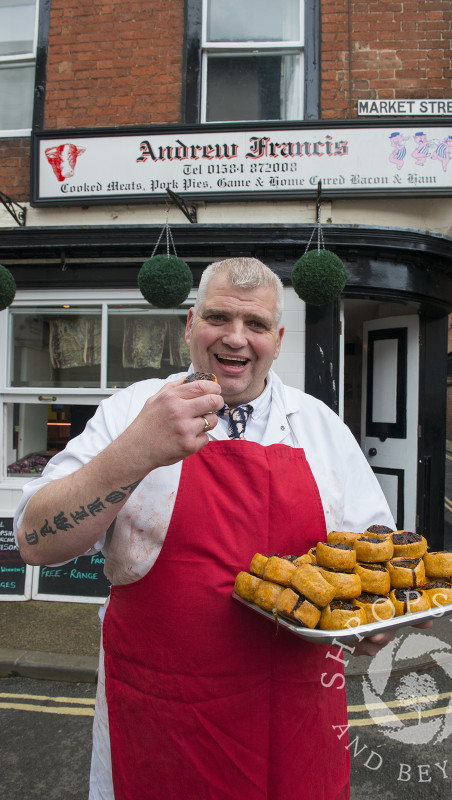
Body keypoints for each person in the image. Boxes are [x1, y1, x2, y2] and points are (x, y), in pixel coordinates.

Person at [14, 257, 398, 800]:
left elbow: (373, 557)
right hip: (162, 722)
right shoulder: (130, 412)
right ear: (190, 325)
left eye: (256, 325)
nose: (236, 339)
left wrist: (378, 619)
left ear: (278, 337)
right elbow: (34, 542)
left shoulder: (319, 426)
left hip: (297, 718)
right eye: (219, 318)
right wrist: (135, 453)